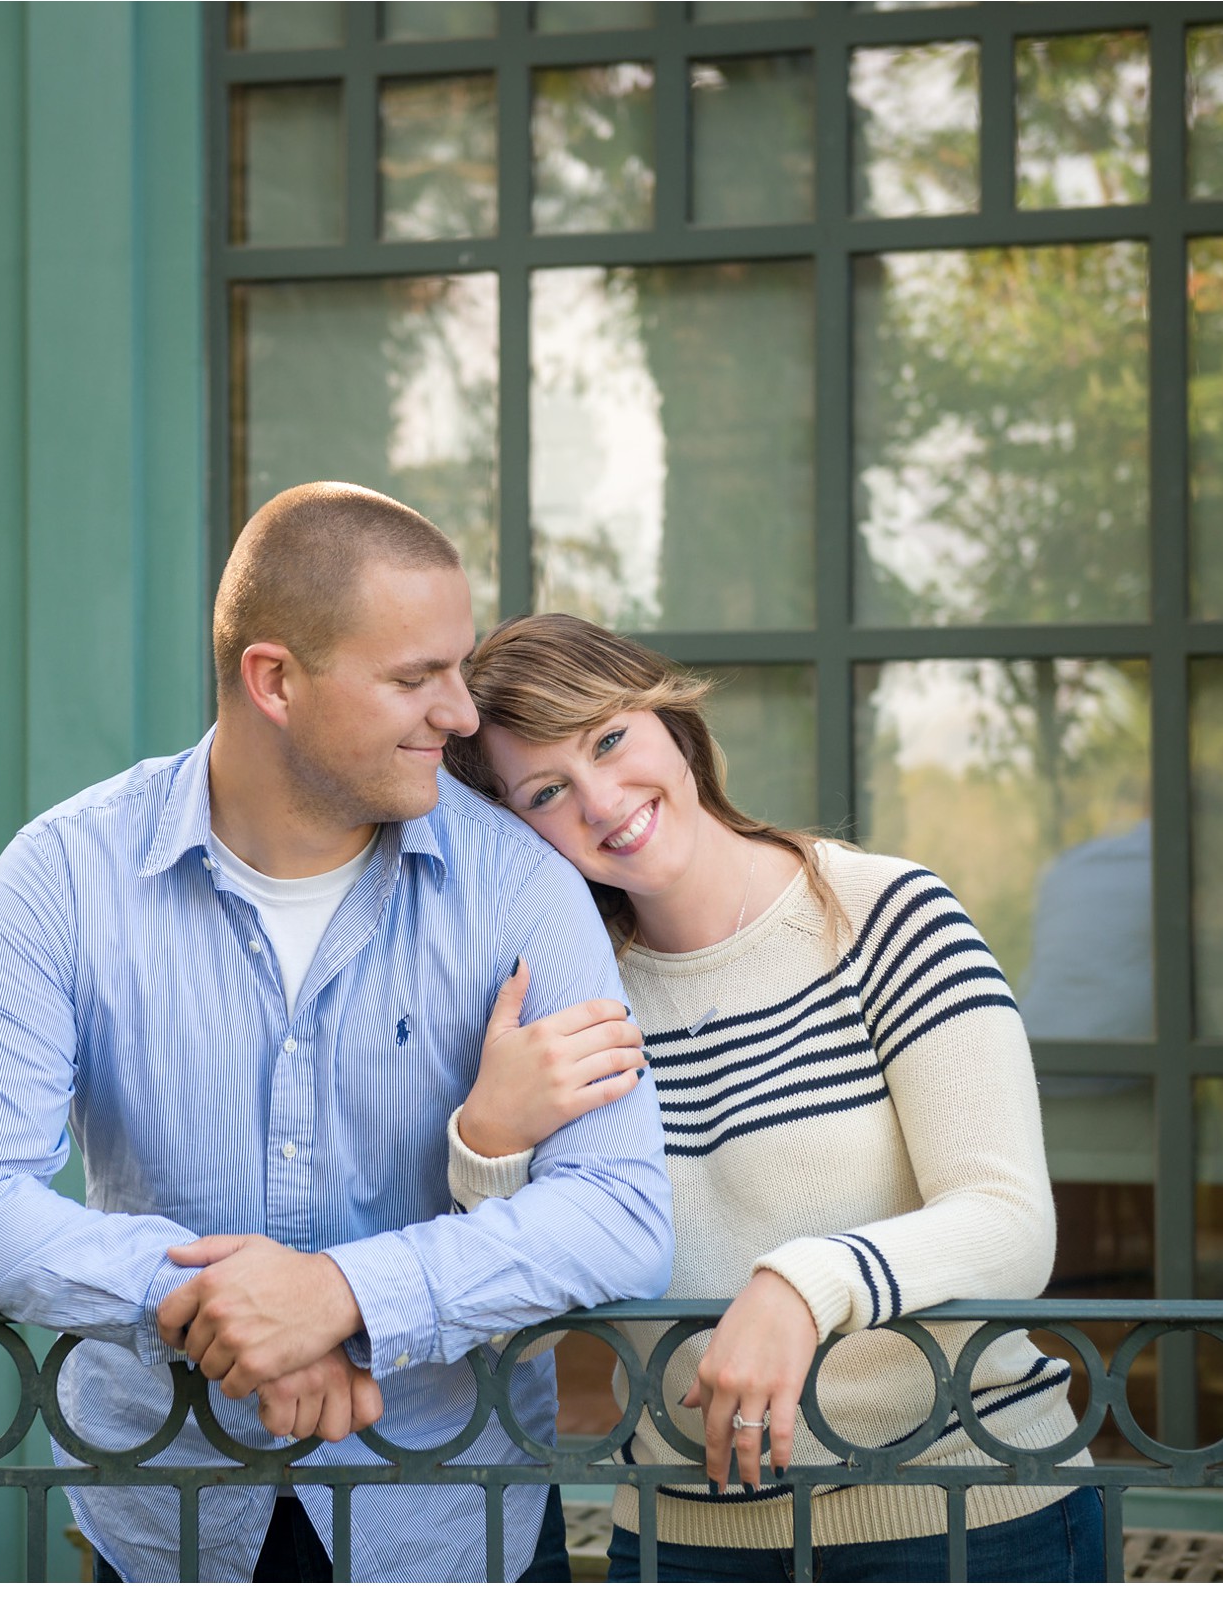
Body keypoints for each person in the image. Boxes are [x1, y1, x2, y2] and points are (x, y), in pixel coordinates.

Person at [0, 488, 673, 1583]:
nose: (460, 716)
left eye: (457, 668)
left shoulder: (518, 887)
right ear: (273, 680)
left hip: (454, 1523)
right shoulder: (65, 875)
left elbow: (622, 1212)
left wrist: (344, 1298)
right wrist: (216, 1311)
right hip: (164, 1526)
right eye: (415, 679)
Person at [439, 613, 1105, 1584]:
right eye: (547, 789)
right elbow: (500, 1329)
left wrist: (801, 1285)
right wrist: (490, 1140)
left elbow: (1011, 1223)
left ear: (669, 720)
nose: (603, 799)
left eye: (610, 739)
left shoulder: (888, 917)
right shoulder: (563, 1007)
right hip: (681, 1546)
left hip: (971, 1517)